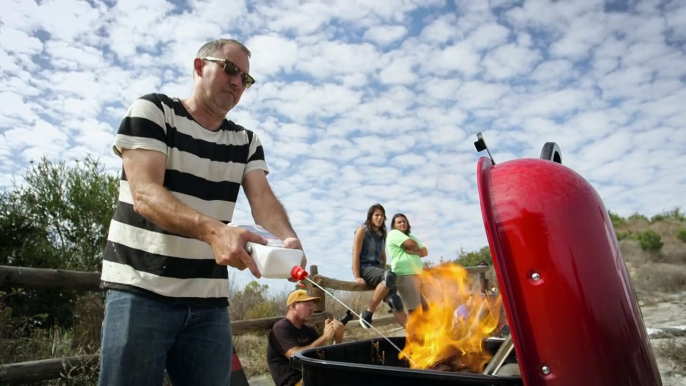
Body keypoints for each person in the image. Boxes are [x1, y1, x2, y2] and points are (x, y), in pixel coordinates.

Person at [98, 38, 305, 386]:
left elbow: (264, 201)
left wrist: (288, 238)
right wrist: (215, 232)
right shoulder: (153, 112)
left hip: (209, 305)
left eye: (246, 79)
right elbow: (145, 194)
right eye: (230, 70)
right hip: (140, 291)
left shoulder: (246, 142)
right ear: (199, 66)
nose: (238, 83)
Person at [267, 290, 345, 386]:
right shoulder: (281, 328)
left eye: (312, 305)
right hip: (295, 382)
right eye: (308, 304)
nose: (312, 308)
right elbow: (295, 356)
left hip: (314, 377)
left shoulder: (308, 329)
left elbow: (323, 356)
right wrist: (325, 338)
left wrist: (338, 339)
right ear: (294, 306)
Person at [352, 204, 407, 329]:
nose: (379, 218)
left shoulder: (382, 234)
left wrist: (384, 275)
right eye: (376, 215)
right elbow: (355, 253)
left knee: (395, 302)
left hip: (378, 270)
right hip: (364, 268)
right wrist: (357, 276)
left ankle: (413, 334)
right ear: (370, 216)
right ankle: (368, 312)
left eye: (382, 215)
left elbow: (383, 256)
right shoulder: (362, 230)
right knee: (389, 275)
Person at [386, 213, 428, 313]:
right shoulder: (394, 234)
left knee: (426, 308)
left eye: (404, 221)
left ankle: (426, 329)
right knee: (414, 311)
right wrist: (415, 247)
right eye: (399, 222)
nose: (402, 224)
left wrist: (414, 251)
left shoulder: (410, 236)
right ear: (394, 225)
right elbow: (412, 244)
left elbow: (425, 252)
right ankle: (414, 329)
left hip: (417, 275)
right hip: (405, 275)